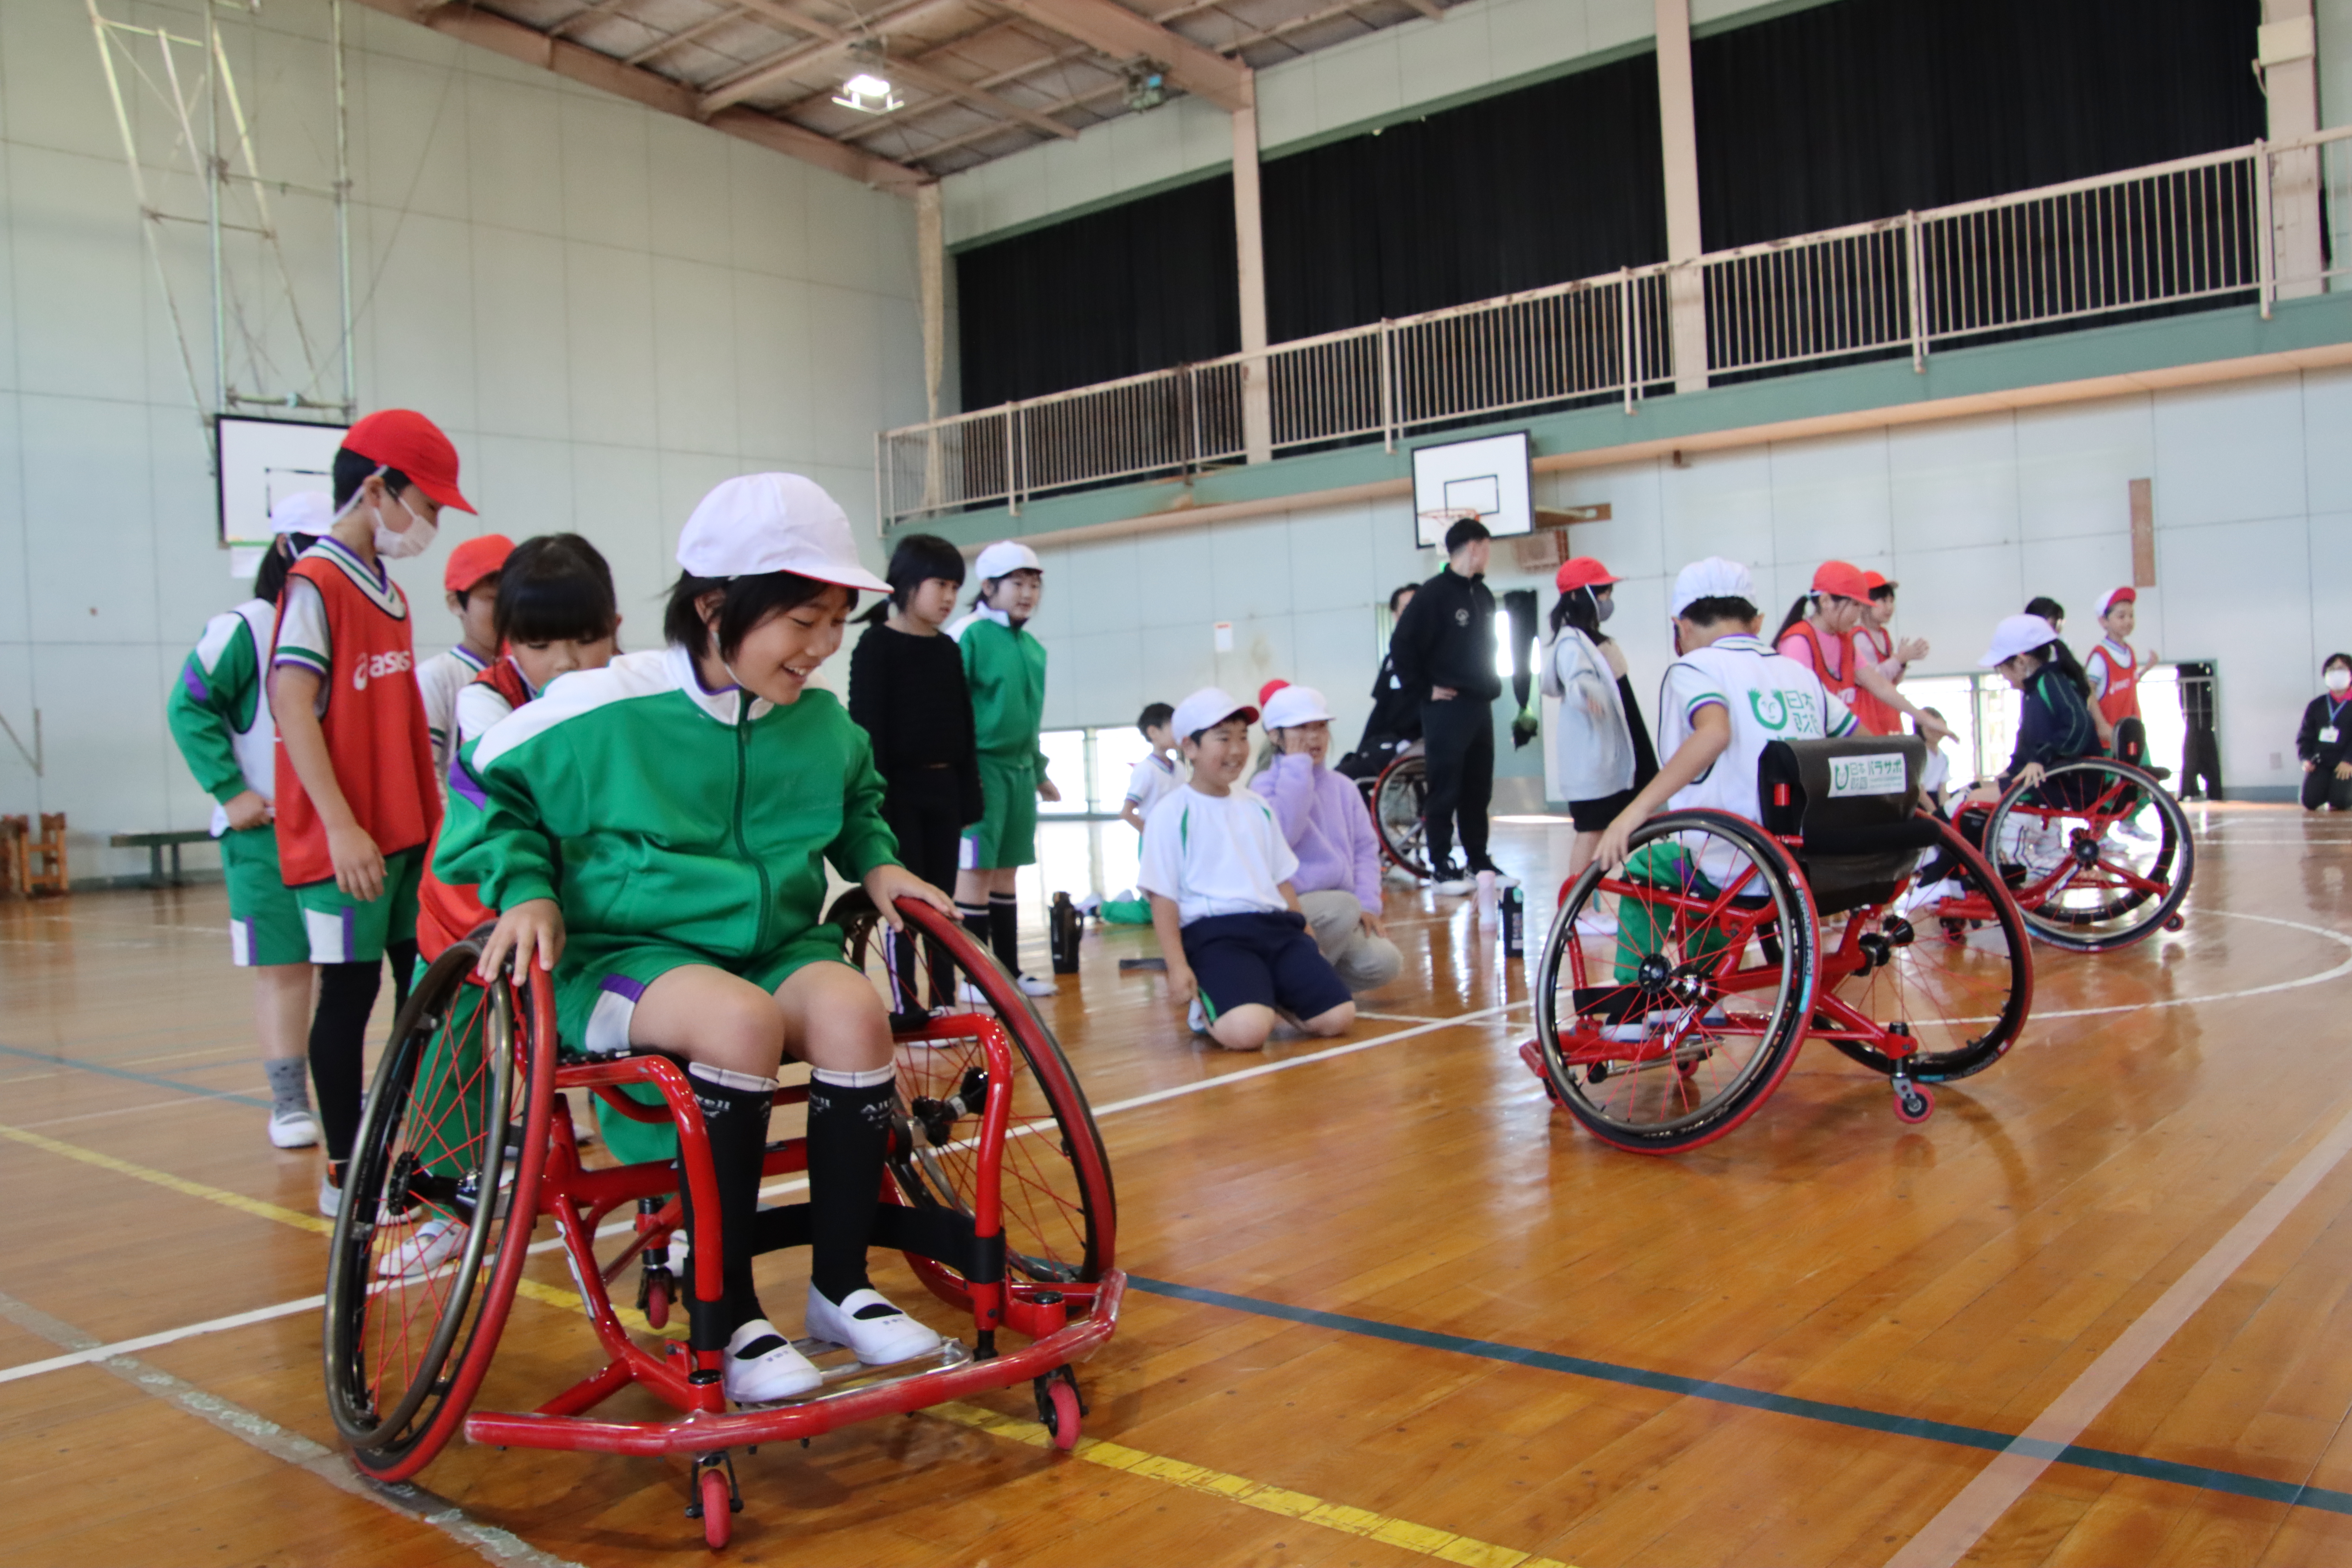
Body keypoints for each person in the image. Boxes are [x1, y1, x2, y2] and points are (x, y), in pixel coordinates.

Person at [442, 472, 955, 1404]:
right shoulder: (604, 705)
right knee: (739, 1023)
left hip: (773, 947)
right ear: (716, 607)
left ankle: (842, 1286)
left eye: (837, 621)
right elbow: (483, 781)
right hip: (624, 953)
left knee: (854, 1011)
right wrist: (525, 888)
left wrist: (879, 865)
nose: (824, 646)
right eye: (803, 621)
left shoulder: (820, 722)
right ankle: (729, 1309)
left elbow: (857, 803)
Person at [390, 534, 624, 1274]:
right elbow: (518, 803)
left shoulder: (638, 687)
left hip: (591, 897)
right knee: (451, 1041)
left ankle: (668, 1196)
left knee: (634, 1035)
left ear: (615, 628)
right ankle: (449, 1207)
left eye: (585, 640)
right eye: (540, 644)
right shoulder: (485, 698)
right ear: (507, 641)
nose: (565, 662)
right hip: (481, 896)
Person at [269, 410, 465, 1218]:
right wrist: (342, 825)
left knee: (421, 993)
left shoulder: (386, 587)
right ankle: (345, 1173)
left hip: (406, 833)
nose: (432, 522)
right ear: (378, 488)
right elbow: (291, 702)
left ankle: (410, 1155)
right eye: (430, 504)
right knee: (347, 996)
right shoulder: (316, 581)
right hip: (345, 844)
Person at [1596, 559, 1856, 992]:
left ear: (1681, 626)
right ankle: (1706, 995)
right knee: (1700, 859)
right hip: (1811, 864)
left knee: (1651, 866)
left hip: (1741, 862)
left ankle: (1637, 1001)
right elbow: (1862, 743)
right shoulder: (1800, 675)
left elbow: (1714, 732)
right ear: (1757, 621)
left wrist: (1634, 812)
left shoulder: (1695, 668)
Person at [165, 492, 331, 1152]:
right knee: (287, 969)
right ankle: (289, 1101)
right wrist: (231, 789)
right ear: (288, 549)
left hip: (337, 831)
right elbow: (189, 706)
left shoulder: (346, 623)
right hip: (265, 834)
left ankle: (343, 1087)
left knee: (347, 970)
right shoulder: (247, 627)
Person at [1140, 688, 1355, 1052]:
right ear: (1190, 747)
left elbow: (1282, 882)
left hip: (1276, 929)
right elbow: (1162, 897)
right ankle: (1210, 1010)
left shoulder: (1258, 806)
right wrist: (1178, 967)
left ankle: (1271, 992)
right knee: (1247, 1034)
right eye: (1224, 738)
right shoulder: (1170, 813)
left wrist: (1309, 941)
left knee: (1339, 1018)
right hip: (1215, 936)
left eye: (1243, 737)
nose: (1238, 750)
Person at [848, 532, 981, 1024]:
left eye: (955, 587)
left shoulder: (947, 648)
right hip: (898, 793)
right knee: (905, 903)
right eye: (940, 584)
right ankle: (909, 1005)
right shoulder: (876, 645)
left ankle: (945, 999)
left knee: (943, 900)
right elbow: (868, 731)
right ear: (907, 584)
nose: (949, 597)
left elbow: (965, 726)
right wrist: (876, 801)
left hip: (944, 790)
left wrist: (969, 794)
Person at [948, 541, 1060, 997]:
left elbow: (1029, 719)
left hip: (1018, 773)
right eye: (1018, 583)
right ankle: (974, 978)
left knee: (1007, 871)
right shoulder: (968, 635)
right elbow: (950, 710)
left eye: (1034, 585)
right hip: (980, 770)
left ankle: (1008, 973)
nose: (1028, 593)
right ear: (989, 586)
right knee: (975, 871)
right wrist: (959, 773)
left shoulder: (1033, 648)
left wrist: (1039, 771)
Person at [1248, 684, 1402, 993]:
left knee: (1385, 961)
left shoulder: (1343, 787)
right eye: (1302, 728)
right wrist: (1297, 769)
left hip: (1338, 913)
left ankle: (1294, 983)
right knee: (1343, 907)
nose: (1314, 737)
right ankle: (1304, 989)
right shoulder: (1263, 786)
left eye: (1320, 727)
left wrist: (1368, 905)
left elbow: (1365, 850)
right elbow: (1285, 835)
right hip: (1289, 908)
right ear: (1276, 737)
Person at [1538, 556, 1657, 930]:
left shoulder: (1591, 640)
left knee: (1617, 827)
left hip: (1618, 751)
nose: (1608, 599)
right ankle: (1578, 912)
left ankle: (1603, 905)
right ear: (1582, 596)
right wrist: (1586, 695)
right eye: (1603, 592)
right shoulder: (1571, 644)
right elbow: (1577, 681)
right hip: (1595, 759)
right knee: (1590, 831)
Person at [1390, 518, 1502, 894]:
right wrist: (1424, 689)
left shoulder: (1483, 595)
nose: (1488, 555)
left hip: (1480, 705)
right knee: (1445, 788)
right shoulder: (1434, 594)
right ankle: (1441, 865)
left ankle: (1478, 861)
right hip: (1447, 707)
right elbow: (1401, 645)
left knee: (1478, 789)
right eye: (1486, 547)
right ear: (1474, 547)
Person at [1774, 561, 1950, 746]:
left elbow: (1880, 686)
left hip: (1836, 748)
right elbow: (1804, 711)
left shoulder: (1845, 642)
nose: (1859, 614)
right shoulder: (1798, 642)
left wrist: (1925, 720)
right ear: (1826, 602)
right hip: (1811, 750)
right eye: (1856, 605)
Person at [416, 534, 513, 785]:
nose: (508, 611)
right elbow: (424, 772)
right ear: (456, 604)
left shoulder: (532, 670)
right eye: (493, 599)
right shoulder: (435, 677)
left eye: (515, 598)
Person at [1338, 584, 1424, 781]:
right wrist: (1363, 747)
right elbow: (1381, 708)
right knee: (1343, 774)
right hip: (1388, 740)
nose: (1413, 614)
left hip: (1416, 742)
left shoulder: (1438, 656)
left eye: (1418, 608)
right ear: (1395, 615)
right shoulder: (1392, 659)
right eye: (1406, 609)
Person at [2025, 594, 2114, 750]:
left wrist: (2101, 724)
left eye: (2060, 623)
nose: (2058, 629)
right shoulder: (2028, 653)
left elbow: (2085, 690)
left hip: (2061, 728)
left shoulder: (2061, 650)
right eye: (2055, 623)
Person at [2085, 586, 2156, 782]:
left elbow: (2128, 682)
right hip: (2111, 740)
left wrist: (2147, 669)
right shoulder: (2101, 656)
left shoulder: (2129, 652)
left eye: (2131, 616)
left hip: (2132, 732)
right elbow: (2088, 691)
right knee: (2115, 791)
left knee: (2144, 785)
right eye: (2121, 616)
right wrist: (2102, 725)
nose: (2128, 621)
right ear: (2104, 621)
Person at [1849, 573, 1928, 736]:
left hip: (1887, 711)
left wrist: (1902, 662)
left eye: (1892, 601)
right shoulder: (1860, 637)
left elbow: (1892, 681)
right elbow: (1873, 679)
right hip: (1869, 714)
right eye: (1884, 601)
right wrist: (1899, 659)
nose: (1890, 607)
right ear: (1865, 604)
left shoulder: (1884, 635)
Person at [2298, 654, 2352, 812]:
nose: (2336, 672)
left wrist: (2349, 761)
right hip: (2322, 760)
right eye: (2332, 669)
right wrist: (2306, 758)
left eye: (2341, 669)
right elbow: (2305, 736)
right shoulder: (2317, 705)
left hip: (2346, 762)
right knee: (2310, 801)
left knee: (2340, 801)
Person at [1120, 702, 1181, 831]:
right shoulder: (1145, 769)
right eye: (1173, 727)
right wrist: (1150, 835)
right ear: (1153, 732)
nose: (1179, 732)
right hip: (1156, 837)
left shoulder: (1180, 767)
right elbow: (1127, 812)